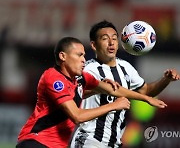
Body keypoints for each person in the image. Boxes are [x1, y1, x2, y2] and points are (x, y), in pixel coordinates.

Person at [16, 37, 167, 148]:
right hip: (36, 142)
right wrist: (113, 105)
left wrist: (145, 98)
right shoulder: (54, 78)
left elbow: (114, 89)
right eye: (78, 55)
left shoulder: (80, 79)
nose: (83, 60)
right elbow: (77, 116)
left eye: (83, 55)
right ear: (63, 56)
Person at [69, 20, 180, 148]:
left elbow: (146, 90)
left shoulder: (125, 67)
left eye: (114, 39)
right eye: (105, 39)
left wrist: (165, 80)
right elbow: (72, 96)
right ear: (94, 45)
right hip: (89, 139)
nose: (111, 43)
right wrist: (99, 88)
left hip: (114, 142)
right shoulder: (88, 69)